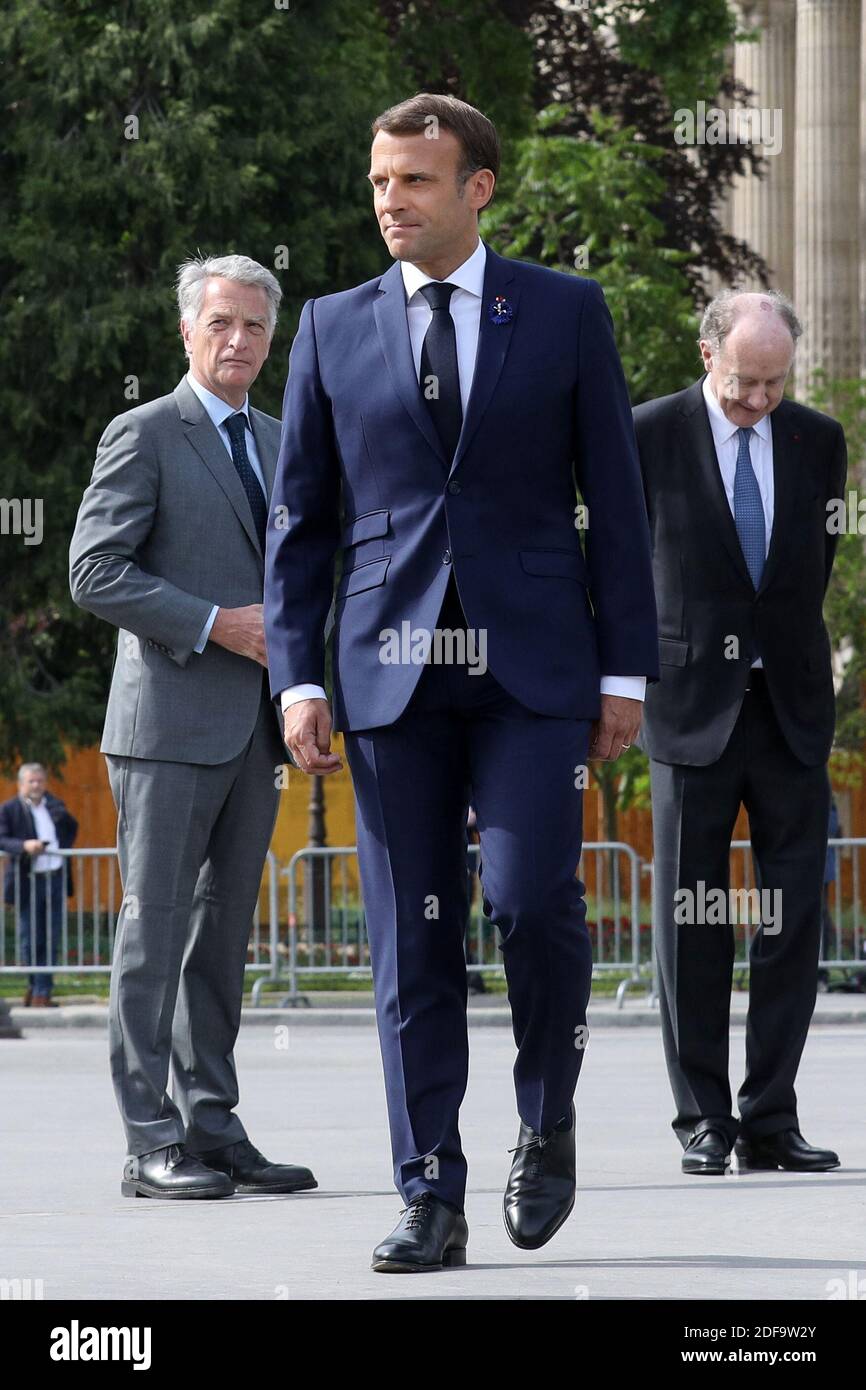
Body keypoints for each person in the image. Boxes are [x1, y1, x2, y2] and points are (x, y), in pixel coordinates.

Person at [264, 93, 658, 1270]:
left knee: (531, 897)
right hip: (388, 672)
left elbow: (618, 512)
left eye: (415, 182)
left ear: (476, 187)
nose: (390, 200)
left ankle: (545, 1120)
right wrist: (296, 678)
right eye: (380, 181)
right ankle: (428, 1188)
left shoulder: (564, 312)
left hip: (532, 664)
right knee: (409, 940)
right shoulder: (331, 327)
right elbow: (300, 523)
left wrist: (624, 671)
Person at [69, 254, 316, 1201]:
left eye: (255, 325)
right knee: (152, 937)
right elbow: (94, 574)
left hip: (257, 734)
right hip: (165, 728)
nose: (239, 340)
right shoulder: (144, 434)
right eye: (220, 323)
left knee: (222, 943)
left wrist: (305, 692)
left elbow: (298, 587)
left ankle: (212, 1123)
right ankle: (148, 1140)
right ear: (187, 331)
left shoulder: (285, 437)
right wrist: (218, 624)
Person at [634, 290, 845, 1176]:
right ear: (705, 353)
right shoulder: (647, 434)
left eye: (775, 382)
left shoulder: (819, 441)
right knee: (692, 921)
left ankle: (770, 1116)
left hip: (790, 710)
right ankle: (702, 1118)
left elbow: (812, 570)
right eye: (745, 383)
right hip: (687, 706)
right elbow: (619, 560)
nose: (760, 400)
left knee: (793, 920)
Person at [0, 763, 78, 1007]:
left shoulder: (54, 806)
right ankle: (35, 986)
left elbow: (71, 827)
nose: (36, 786)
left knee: (51, 936)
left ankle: (43, 991)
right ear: (21, 784)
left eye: (40, 781)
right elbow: (2, 838)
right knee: (30, 938)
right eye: (31, 782)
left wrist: (60, 846)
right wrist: (25, 846)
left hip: (53, 877)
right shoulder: (10, 809)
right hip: (27, 880)